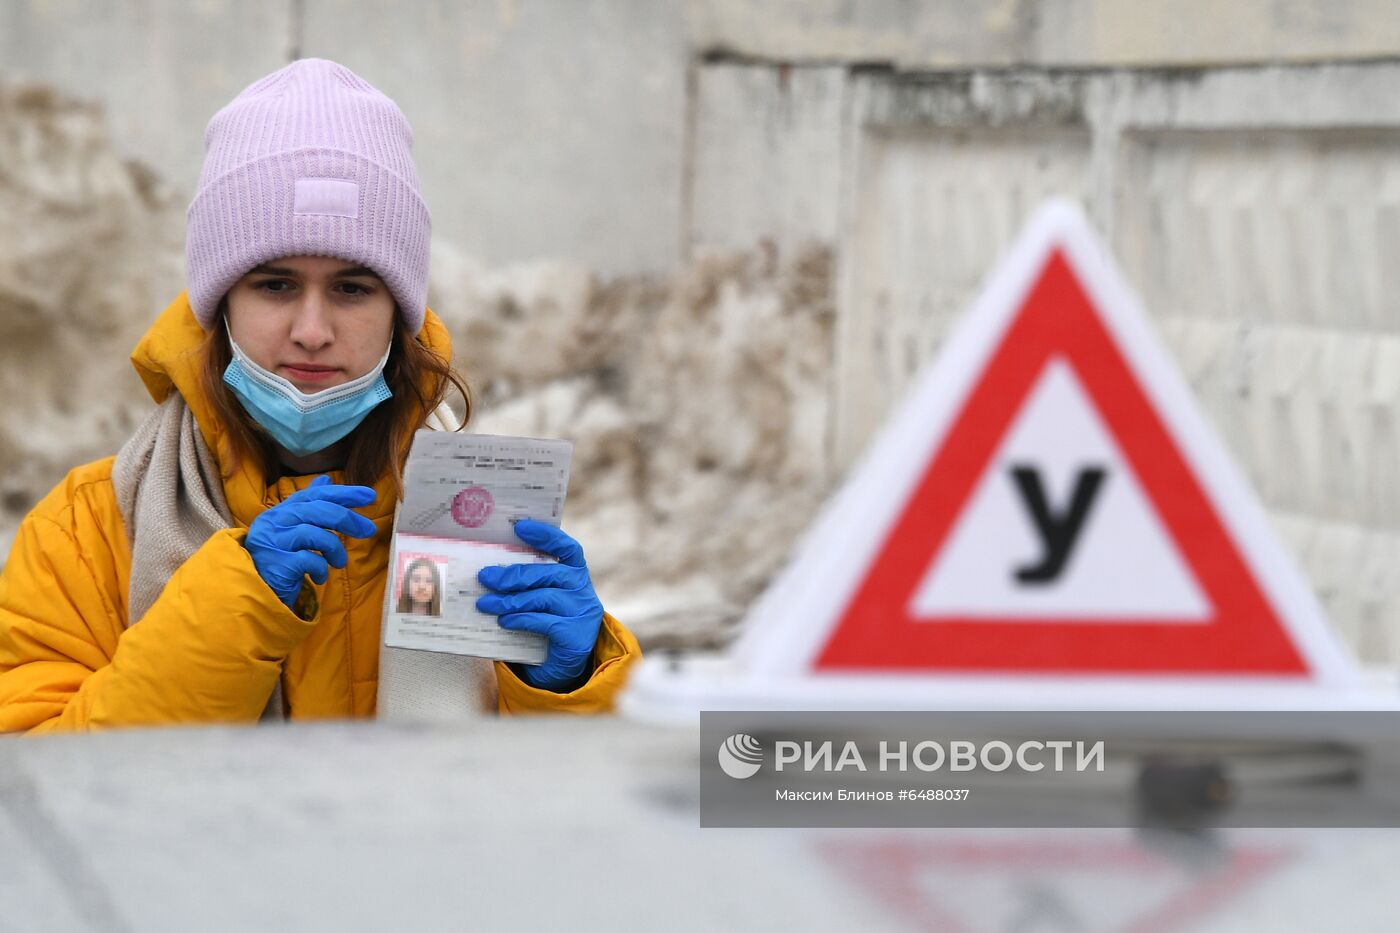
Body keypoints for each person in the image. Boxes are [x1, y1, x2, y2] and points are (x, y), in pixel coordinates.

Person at [0, 58, 640, 732]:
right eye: (275, 285)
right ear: (218, 307)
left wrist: (570, 681)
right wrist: (231, 609)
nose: (312, 331)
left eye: (352, 288)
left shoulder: (484, 532)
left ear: (401, 313)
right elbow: (31, 792)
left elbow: (575, 820)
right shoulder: (84, 532)